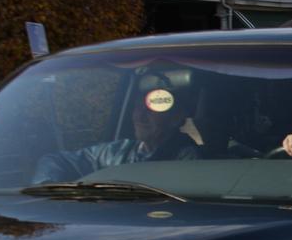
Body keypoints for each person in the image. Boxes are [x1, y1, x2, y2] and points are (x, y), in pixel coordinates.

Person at [32, 78, 200, 184]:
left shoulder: (189, 159)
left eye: (151, 110)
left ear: (176, 117)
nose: (139, 117)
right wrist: (47, 189)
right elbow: (57, 161)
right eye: (137, 108)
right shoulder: (115, 153)